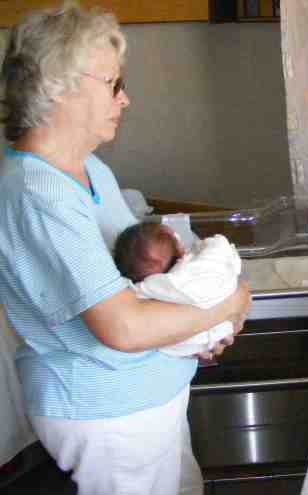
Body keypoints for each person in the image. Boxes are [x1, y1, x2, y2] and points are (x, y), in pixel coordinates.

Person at [0, 3, 251, 495]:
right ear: (63, 88)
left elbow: (144, 282)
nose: (126, 98)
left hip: (151, 395)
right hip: (107, 410)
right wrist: (229, 302)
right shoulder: (37, 192)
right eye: (113, 83)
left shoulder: (90, 170)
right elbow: (123, 325)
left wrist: (198, 330)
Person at [114, 222, 243, 356]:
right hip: (217, 327)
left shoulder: (147, 288)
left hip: (191, 343)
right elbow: (219, 248)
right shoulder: (192, 270)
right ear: (180, 251)